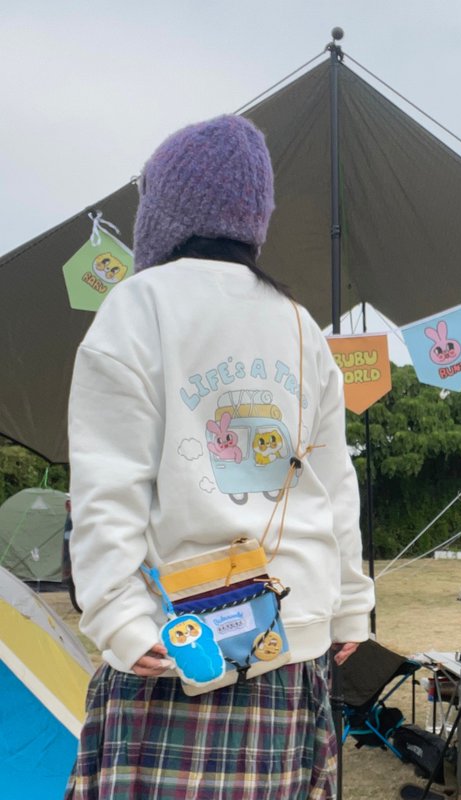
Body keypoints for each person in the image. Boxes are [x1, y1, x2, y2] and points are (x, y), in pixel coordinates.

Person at [65, 114, 375, 799]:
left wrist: (115, 610)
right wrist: (351, 606)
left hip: (176, 642)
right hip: (290, 638)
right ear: (254, 219)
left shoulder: (138, 305)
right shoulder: (299, 324)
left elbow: (107, 482)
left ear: (163, 211)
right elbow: (333, 484)